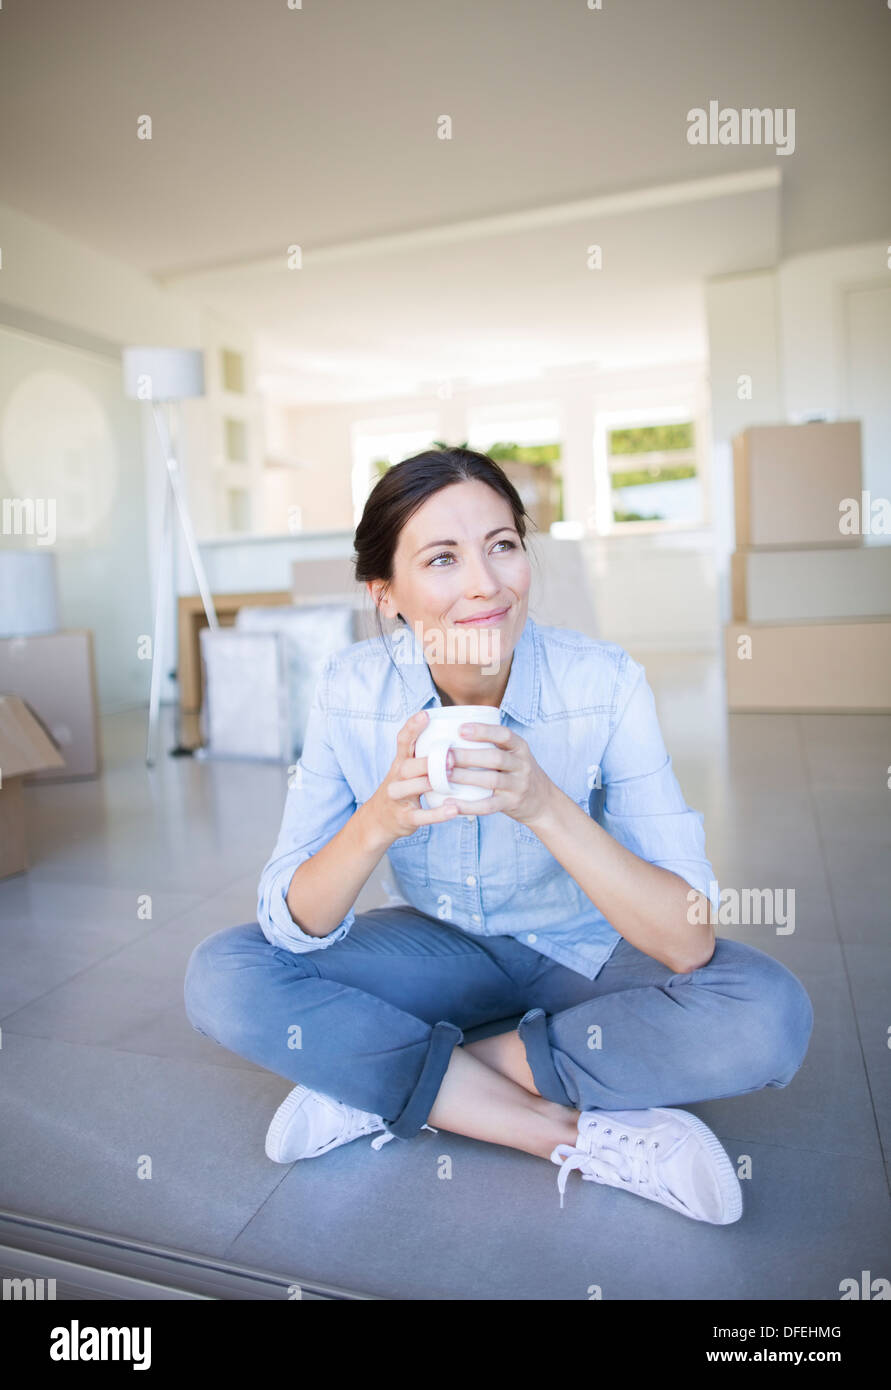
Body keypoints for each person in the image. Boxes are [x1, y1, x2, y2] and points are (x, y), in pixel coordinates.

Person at [184, 447, 813, 1224]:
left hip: (584, 951)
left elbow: (685, 941)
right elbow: (294, 918)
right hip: (438, 948)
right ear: (385, 594)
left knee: (767, 1014)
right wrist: (378, 818)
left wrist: (544, 803)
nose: (486, 584)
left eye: (502, 544)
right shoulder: (351, 691)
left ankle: (384, 1082)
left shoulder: (602, 683)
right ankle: (562, 1129)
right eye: (442, 558)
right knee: (224, 974)